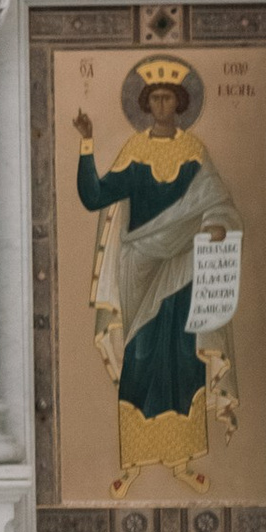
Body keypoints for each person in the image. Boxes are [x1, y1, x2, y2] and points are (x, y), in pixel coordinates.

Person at [74, 60, 241, 491]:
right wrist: (87, 143)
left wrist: (216, 225)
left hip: (185, 267)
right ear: (146, 105)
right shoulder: (135, 150)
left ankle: (181, 460)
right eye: (155, 98)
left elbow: (218, 204)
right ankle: (133, 462)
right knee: (141, 359)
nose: (162, 104)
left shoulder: (195, 152)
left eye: (169, 98)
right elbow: (95, 196)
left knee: (184, 360)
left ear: (180, 103)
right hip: (140, 268)